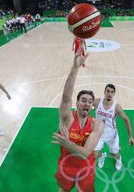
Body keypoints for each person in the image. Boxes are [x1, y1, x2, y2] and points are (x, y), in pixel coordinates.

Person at [52, 46, 104, 192]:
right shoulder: (67, 118)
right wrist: (75, 68)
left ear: (92, 106)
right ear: (77, 103)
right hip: (66, 167)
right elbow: (66, 98)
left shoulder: (97, 124)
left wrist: (67, 143)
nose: (87, 103)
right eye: (83, 100)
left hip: (86, 169)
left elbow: (85, 153)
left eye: (90, 101)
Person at [93, 84, 134, 171]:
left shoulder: (116, 107)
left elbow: (126, 120)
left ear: (114, 94)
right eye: (108, 91)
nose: (109, 93)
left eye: (112, 92)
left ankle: (118, 159)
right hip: (98, 132)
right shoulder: (97, 102)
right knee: (94, 154)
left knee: (114, 154)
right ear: (104, 92)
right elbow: (86, 105)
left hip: (111, 134)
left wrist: (130, 136)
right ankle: (102, 156)